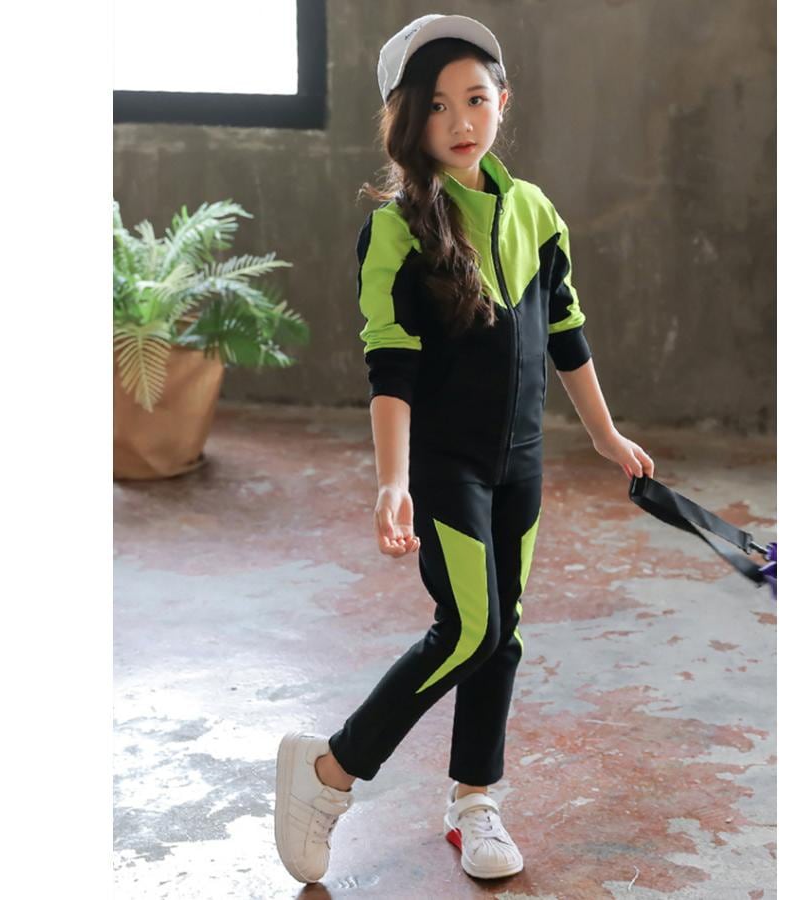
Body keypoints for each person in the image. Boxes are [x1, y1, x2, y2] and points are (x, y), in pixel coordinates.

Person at [274, 12, 656, 885]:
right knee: (471, 628)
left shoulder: (536, 213)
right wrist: (392, 480)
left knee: (502, 632)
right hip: (445, 464)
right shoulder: (396, 228)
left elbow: (565, 332)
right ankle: (330, 770)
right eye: (437, 105)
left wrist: (604, 434)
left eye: (476, 99)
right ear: (406, 119)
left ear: (502, 103)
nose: (460, 121)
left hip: (521, 461)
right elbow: (391, 364)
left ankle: (474, 799)